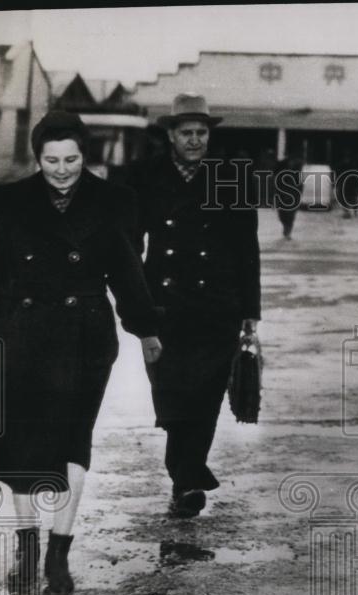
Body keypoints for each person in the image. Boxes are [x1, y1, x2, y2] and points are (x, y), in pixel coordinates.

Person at [0, 110, 162, 595]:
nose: (61, 169)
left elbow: (127, 272)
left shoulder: (116, 200)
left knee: (74, 442)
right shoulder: (9, 199)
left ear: (84, 155)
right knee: (21, 449)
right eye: (51, 159)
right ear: (38, 157)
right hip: (22, 334)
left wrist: (147, 330)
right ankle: (26, 550)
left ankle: (59, 553)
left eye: (71, 158)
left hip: (86, 336)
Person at [127, 93, 261, 518]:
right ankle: (183, 471)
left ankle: (186, 481)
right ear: (170, 134)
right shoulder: (144, 176)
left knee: (205, 397)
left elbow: (247, 248)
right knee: (171, 394)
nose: (195, 139)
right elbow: (130, 242)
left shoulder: (232, 177)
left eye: (201, 132)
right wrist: (134, 303)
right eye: (186, 132)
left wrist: (250, 312)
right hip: (163, 307)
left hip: (217, 305)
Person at [274, 152, 304, 240]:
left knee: (290, 215)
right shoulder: (281, 169)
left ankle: (288, 230)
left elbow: (300, 184)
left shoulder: (297, 171)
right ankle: (285, 227)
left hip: (293, 196)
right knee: (282, 214)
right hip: (282, 194)